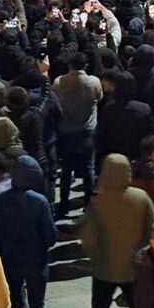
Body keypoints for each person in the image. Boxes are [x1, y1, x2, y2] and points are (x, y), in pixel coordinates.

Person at [80, 154, 154, 308]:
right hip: (133, 267)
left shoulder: (98, 202)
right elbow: (152, 229)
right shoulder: (141, 198)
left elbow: (89, 237)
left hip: (104, 269)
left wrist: (96, 257)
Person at [0, 156, 56, 308]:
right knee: (37, 305)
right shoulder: (39, 201)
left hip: (9, 260)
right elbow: (50, 236)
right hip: (35, 262)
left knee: (9, 303)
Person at [53, 51, 102, 218]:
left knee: (66, 169)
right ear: (86, 66)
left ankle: (64, 203)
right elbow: (99, 97)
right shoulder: (93, 82)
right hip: (87, 130)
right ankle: (89, 202)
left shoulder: (59, 82)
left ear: (69, 65)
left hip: (66, 131)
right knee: (89, 167)